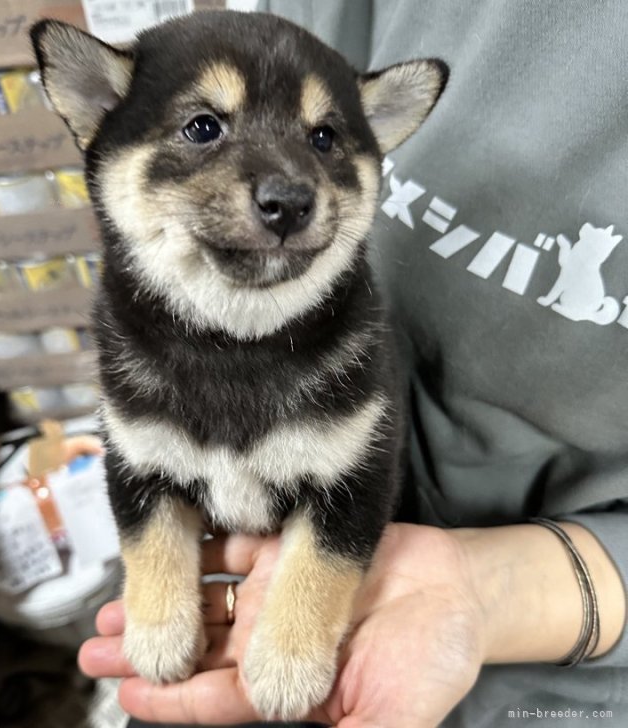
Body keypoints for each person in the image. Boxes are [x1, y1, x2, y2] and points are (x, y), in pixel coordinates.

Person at [78, 1, 628, 725]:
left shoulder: (348, 362)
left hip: (559, 672)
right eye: (203, 128)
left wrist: (482, 593)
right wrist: (156, 593)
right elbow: (139, 481)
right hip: (258, 582)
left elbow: (349, 498)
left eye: (325, 138)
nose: (286, 184)